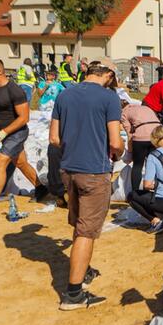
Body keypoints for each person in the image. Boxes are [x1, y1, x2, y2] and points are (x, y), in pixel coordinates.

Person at [49, 64, 123, 310]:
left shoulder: (64, 94)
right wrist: (119, 150)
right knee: (86, 232)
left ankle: (84, 269)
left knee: (80, 224)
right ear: (108, 76)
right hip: (94, 171)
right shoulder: (109, 98)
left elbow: (54, 138)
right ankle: (73, 294)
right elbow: (115, 141)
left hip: (69, 169)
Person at [0, 59, 46, 215]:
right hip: (5, 132)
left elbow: (24, 118)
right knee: (21, 163)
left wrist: (4, 132)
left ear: (0, 71)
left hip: (17, 133)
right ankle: (41, 189)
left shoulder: (15, 91)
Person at [121, 100, 163, 194]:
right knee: (155, 164)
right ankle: (157, 190)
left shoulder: (124, 113)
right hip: (157, 135)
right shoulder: (146, 108)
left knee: (137, 166)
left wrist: (130, 152)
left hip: (141, 138)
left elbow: (130, 134)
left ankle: (135, 193)